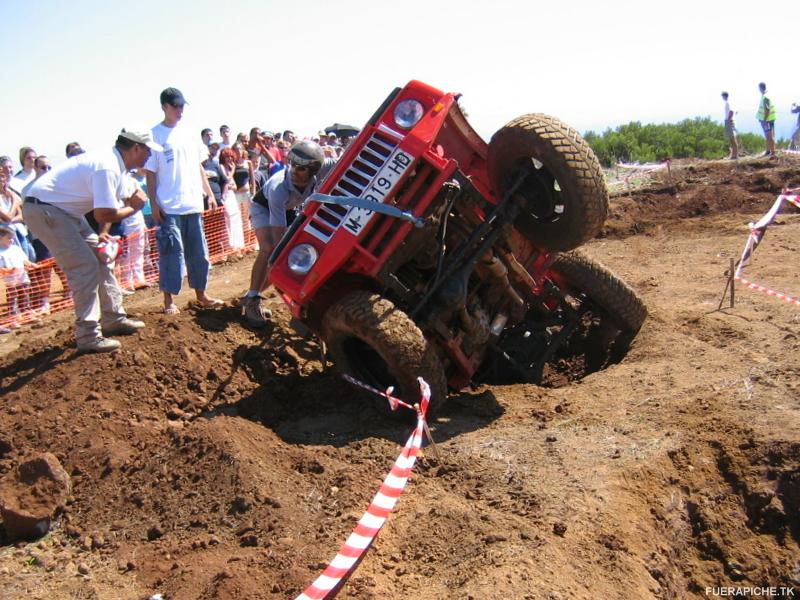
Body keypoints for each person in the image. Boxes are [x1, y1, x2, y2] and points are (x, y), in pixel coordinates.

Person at [22, 129, 155, 352]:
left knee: (100, 257)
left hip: (64, 211)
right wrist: (133, 208)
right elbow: (103, 214)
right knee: (84, 266)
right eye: (148, 151)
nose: (149, 156)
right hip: (46, 210)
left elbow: (111, 205)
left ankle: (113, 317)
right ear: (136, 148)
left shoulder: (116, 166)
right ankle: (88, 335)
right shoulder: (107, 167)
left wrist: (103, 233)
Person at [144, 87, 223, 315]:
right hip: (168, 205)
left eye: (181, 106)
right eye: (175, 106)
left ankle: (201, 294)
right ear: (164, 107)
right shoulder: (154, 136)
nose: (179, 110)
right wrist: (154, 203)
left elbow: (198, 166)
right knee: (171, 252)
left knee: (199, 252)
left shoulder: (189, 133)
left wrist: (208, 192)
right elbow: (151, 172)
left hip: (192, 203)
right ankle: (169, 300)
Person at [240, 140, 335, 326]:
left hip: (288, 209)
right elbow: (277, 240)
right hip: (263, 207)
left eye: (300, 168)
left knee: (301, 251)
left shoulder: (322, 166)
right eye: (292, 165)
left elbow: (346, 159)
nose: (293, 171)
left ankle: (254, 294)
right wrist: (282, 255)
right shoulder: (278, 188)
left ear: (313, 170)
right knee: (270, 250)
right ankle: (252, 298)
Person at [0, 224, 37, 331]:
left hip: (22, 277)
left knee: (25, 294)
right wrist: (6, 270)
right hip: (10, 280)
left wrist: (31, 264)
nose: (11, 240)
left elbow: (25, 260)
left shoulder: (16, 248)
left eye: (12, 238)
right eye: (9, 238)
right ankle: (13, 318)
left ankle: (27, 313)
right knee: (13, 298)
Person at [217, 147, 246, 255]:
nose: (229, 159)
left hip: (232, 196)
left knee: (236, 219)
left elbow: (234, 186)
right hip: (225, 197)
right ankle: (230, 247)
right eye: (227, 157)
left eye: (230, 157)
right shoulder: (222, 167)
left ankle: (237, 246)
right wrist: (232, 173)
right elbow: (226, 180)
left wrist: (230, 179)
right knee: (228, 220)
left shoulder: (229, 168)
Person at [757, 82, 777, 157]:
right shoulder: (766, 95)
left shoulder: (765, 96)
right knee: (768, 135)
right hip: (768, 119)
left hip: (767, 120)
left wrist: (765, 120)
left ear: (760, 88)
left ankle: (772, 152)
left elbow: (767, 109)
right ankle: (768, 151)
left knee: (769, 135)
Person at [720, 91, 738, 160]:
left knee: (733, 139)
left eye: (722, 96)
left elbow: (731, 111)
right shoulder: (729, 102)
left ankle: (735, 156)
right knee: (731, 139)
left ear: (724, 96)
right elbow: (735, 111)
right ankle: (733, 155)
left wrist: (728, 120)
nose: (722, 97)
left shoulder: (728, 103)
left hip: (729, 121)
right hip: (729, 121)